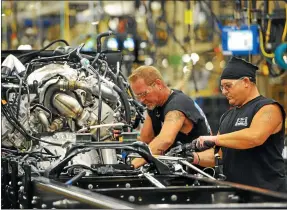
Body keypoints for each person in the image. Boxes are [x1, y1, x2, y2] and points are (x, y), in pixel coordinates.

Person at [189, 57, 286, 192]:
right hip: (236, 195)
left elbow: (254, 137)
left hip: (268, 195)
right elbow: (220, 154)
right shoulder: (227, 116)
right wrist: (192, 157)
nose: (224, 92)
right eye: (222, 87)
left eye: (228, 86)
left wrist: (214, 139)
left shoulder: (268, 108)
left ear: (246, 82)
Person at [128, 65, 211, 168]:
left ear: (158, 84)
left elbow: (165, 140)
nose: (141, 100)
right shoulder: (154, 105)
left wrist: (132, 165)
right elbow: (146, 139)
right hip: (177, 169)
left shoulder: (177, 105)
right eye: (138, 96)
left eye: (144, 94)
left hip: (199, 171)